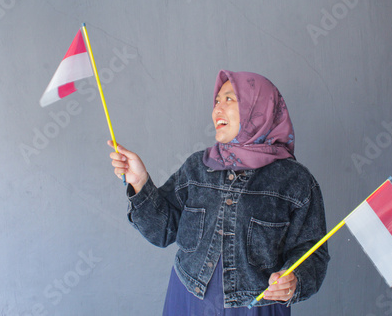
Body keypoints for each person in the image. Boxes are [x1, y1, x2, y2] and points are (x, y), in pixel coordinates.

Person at [109, 70, 329, 315]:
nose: (217, 110)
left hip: (255, 308)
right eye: (216, 101)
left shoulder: (295, 180)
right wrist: (140, 182)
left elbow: (313, 253)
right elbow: (163, 231)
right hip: (188, 300)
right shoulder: (197, 167)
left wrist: (295, 281)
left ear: (257, 107)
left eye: (229, 99)